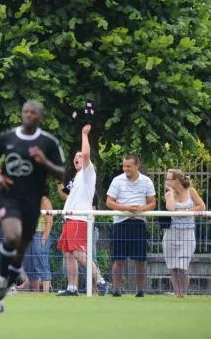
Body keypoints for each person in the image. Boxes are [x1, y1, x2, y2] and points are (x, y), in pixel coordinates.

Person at [0, 100, 66, 313]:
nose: (29, 115)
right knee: (12, 236)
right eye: (26, 112)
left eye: (33, 113)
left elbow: (62, 173)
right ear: (22, 114)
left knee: (19, 253)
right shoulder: (8, 137)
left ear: (40, 117)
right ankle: (3, 277)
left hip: (32, 201)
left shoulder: (48, 142)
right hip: (8, 196)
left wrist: (45, 162)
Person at [57, 124, 108, 296]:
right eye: (75, 156)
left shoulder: (88, 172)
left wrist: (84, 134)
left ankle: (101, 281)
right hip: (69, 218)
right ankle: (72, 288)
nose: (78, 158)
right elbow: (64, 195)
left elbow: (86, 154)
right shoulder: (77, 177)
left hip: (79, 218)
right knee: (68, 253)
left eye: (80, 156)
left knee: (79, 254)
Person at [106, 154, 156, 297]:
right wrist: (126, 208)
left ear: (137, 166)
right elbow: (109, 202)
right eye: (124, 166)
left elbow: (152, 202)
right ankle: (117, 289)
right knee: (119, 259)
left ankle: (140, 291)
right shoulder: (117, 180)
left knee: (140, 260)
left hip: (139, 223)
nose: (125, 169)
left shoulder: (146, 181)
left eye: (128, 166)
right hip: (121, 223)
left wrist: (142, 209)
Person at [162, 169, 204, 297]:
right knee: (173, 267)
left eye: (169, 179)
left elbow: (201, 206)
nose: (166, 181)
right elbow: (171, 208)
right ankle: (177, 293)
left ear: (177, 180)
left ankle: (183, 293)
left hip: (187, 233)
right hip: (171, 233)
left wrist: (187, 210)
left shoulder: (191, 191)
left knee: (182, 266)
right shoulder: (169, 194)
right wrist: (171, 193)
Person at [23, 193, 53, 292]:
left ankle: (46, 291)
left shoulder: (45, 201)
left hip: (40, 234)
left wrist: (44, 238)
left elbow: (49, 221)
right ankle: (35, 292)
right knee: (29, 264)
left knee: (42, 262)